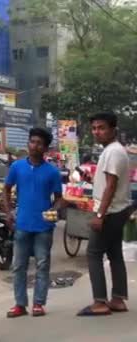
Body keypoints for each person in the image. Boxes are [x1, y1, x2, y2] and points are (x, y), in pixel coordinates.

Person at [3, 128, 63, 318]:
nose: (34, 146)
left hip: (44, 227)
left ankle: (38, 303)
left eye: (39, 143)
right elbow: (5, 190)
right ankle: (20, 304)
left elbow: (60, 198)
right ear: (28, 144)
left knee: (42, 265)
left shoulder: (52, 172)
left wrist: (53, 210)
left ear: (45, 148)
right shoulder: (17, 167)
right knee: (18, 266)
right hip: (22, 224)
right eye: (32, 141)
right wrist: (8, 213)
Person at [78, 112, 132, 316]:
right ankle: (118, 299)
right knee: (115, 254)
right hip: (117, 210)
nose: (96, 132)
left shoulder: (114, 151)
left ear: (113, 129)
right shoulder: (112, 151)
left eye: (101, 128)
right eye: (94, 128)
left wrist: (100, 216)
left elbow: (111, 186)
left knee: (93, 254)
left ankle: (99, 302)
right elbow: (107, 183)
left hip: (110, 212)